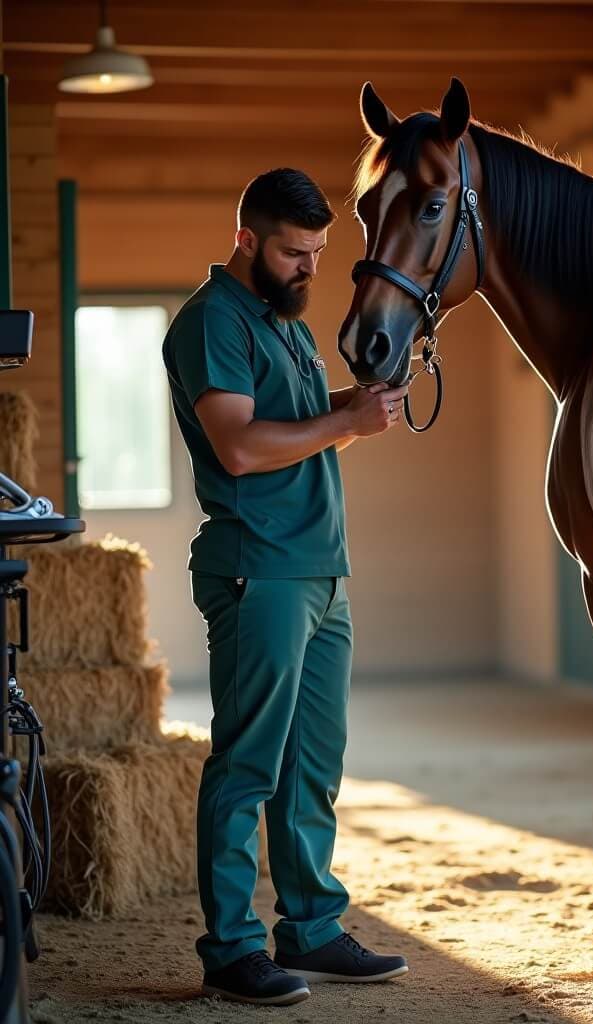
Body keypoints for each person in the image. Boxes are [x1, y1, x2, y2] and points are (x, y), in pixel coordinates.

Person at [162, 167, 409, 1007]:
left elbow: (292, 425)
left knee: (313, 767)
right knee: (249, 763)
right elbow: (237, 446)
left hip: (320, 569)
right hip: (257, 567)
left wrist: (355, 403)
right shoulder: (212, 324)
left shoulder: (282, 323)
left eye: (317, 253)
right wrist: (344, 423)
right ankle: (231, 948)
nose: (310, 269)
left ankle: (309, 928)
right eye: (293, 253)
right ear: (246, 241)